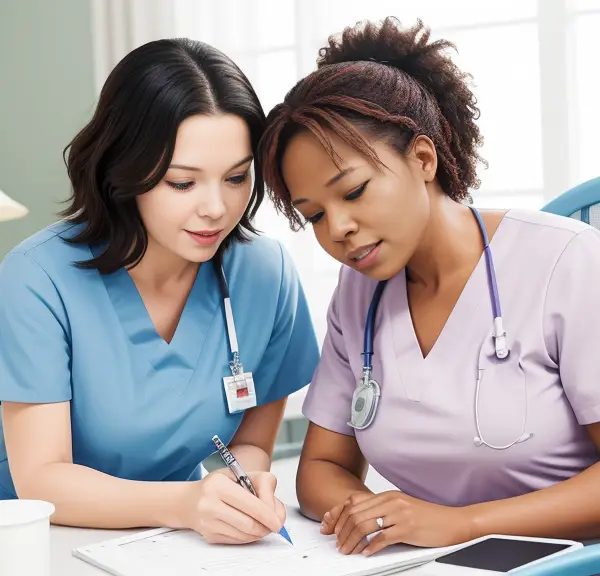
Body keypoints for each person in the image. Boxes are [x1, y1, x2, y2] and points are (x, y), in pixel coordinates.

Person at [258, 17, 600, 556]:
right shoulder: (359, 293)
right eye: (314, 216)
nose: (338, 229)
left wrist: (460, 525)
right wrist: (371, 515)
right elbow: (322, 468)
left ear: (422, 158)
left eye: (353, 191)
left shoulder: (567, 263)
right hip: (432, 562)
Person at [0, 38, 320, 546]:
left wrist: (248, 489)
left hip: (169, 542)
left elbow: (252, 445)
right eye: (182, 183)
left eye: (237, 177)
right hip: (36, 542)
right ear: (123, 171)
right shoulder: (37, 279)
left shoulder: (266, 273)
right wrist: (186, 503)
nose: (217, 207)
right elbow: (41, 479)